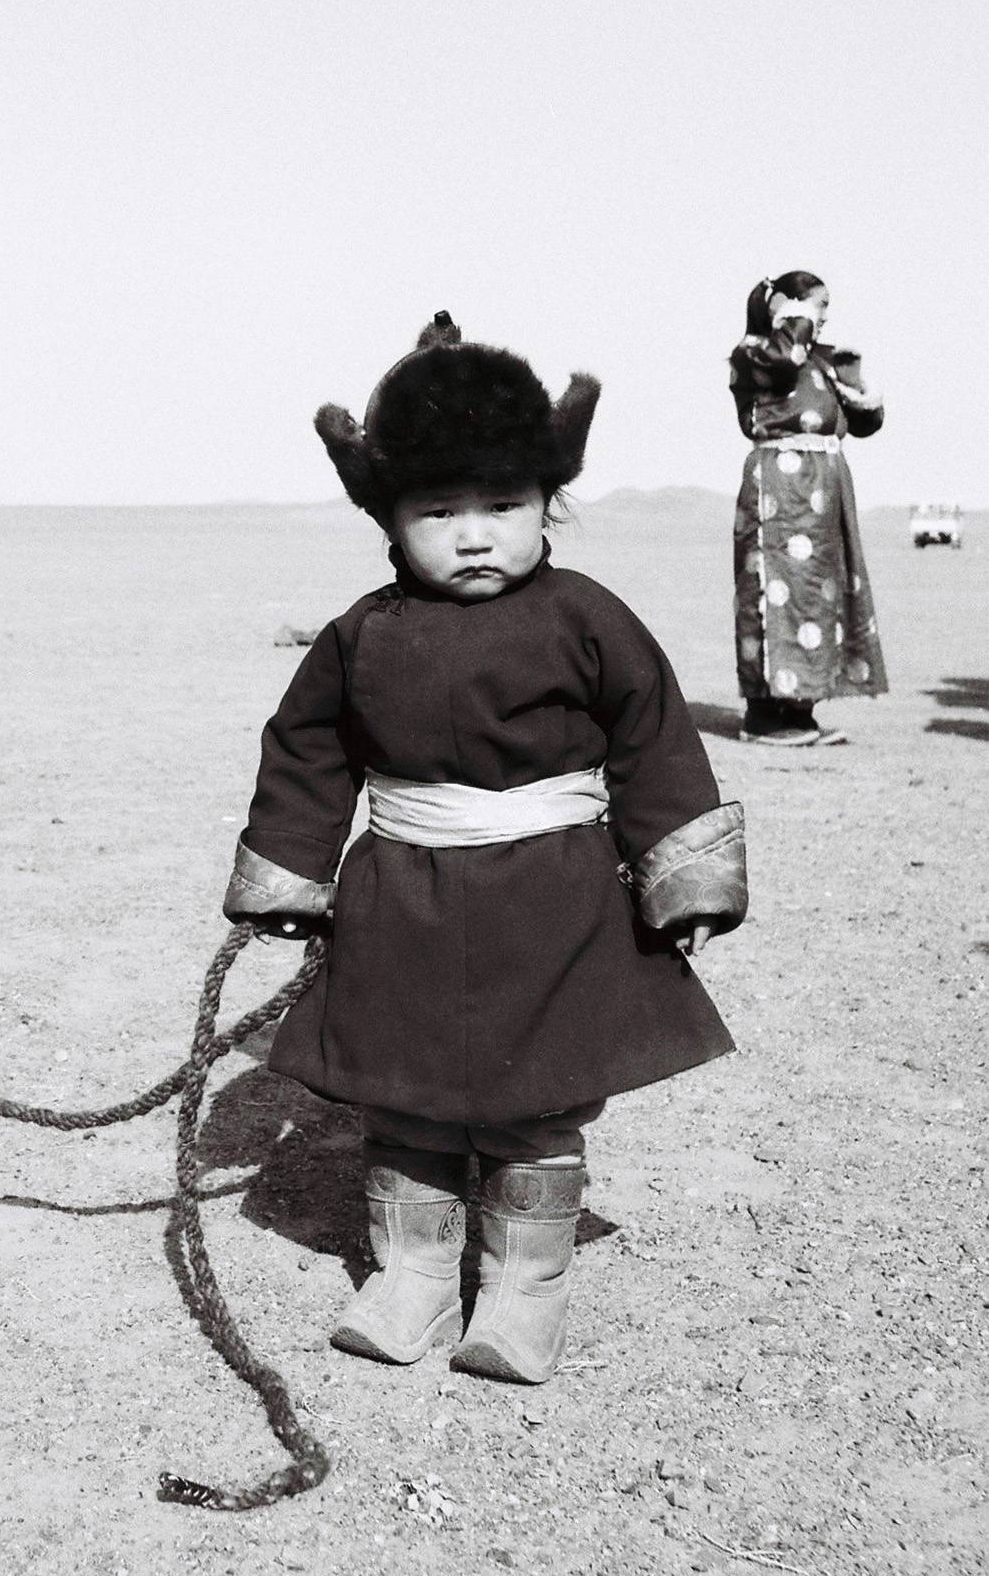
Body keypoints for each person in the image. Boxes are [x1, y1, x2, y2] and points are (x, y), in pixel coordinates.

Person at [221, 315, 747, 1385]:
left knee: (535, 1096)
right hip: (400, 892)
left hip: (551, 898)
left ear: (547, 501)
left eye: (502, 506)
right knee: (402, 1091)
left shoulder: (588, 618)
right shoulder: (358, 634)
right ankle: (409, 1278)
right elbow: (307, 752)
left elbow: (654, 738)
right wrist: (288, 875)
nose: (473, 535)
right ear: (385, 516)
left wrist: (680, 877)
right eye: (438, 510)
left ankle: (521, 1292)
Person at [729, 272, 886, 744]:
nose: (825, 315)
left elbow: (865, 424)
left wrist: (854, 377)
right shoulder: (756, 352)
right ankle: (764, 716)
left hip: (824, 497)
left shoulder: (819, 361)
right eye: (819, 305)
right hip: (779, 491)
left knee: (820, 595)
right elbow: (782, 363)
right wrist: (794, 320)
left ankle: (800, 712)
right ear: (789, 306)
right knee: (774, 592)